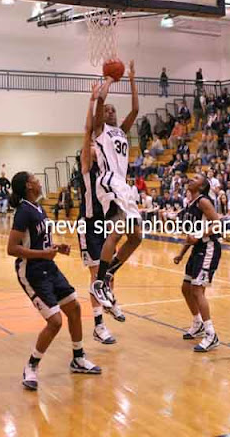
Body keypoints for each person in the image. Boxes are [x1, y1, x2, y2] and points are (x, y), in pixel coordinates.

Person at [7, 171, 101, 391]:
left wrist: (57, 247)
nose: (39, 181)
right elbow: (12, 249)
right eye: (35, 179)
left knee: (75, 309)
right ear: (29, 186)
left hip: (48, 267)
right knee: (56, 322)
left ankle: (78, 358)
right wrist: (43, 254)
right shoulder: (23, 211)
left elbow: (39, 242)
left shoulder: (38, 208)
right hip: (31, 272)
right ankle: (32, 365)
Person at [90, 60, 143, 308]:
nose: (111, 112)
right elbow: (100, 102)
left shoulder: (121, 131)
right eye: (108, 110)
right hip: (109, 181)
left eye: (113, 110)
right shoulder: (99, 131)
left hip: (122, 185)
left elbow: (135, 109)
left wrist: (131, 79)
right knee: (118, 229)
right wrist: (109, 80)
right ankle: (99, 282)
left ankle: (109, 271)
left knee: (136, 237)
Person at [77, 84, 123, 345]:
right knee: (95, 275)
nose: (97, 149)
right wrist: (93, 100)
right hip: (88, 223)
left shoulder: (108, 166)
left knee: (108, 272)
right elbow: (88, 131)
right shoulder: (86, 165)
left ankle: (110, 300)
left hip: (105, 222)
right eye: (93, 147)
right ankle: (98, 325)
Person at [173, 174, 222, 352]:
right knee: (186, 288)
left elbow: (218, 224)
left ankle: (211, 334)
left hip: (209, 247)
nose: (191, 179)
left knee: (198, 290)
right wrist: (181, 253)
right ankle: (198, 323)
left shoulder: (203, 201)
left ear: (201, 187)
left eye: (196, 178)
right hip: (197, 250)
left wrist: (200, 236)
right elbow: (190, 235)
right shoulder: (190, 204)